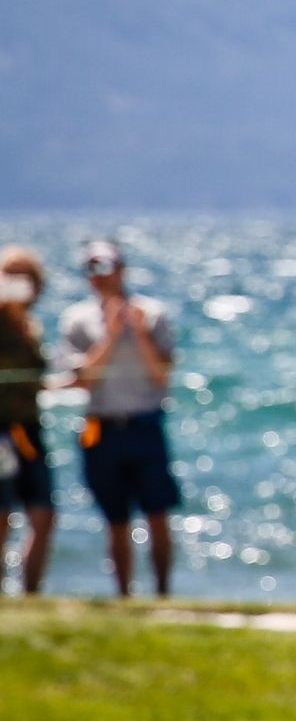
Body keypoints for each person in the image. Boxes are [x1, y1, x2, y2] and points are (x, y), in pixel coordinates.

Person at [56, 240, 182, 598]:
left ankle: (162, 593)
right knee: (116, 520)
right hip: (102, 427)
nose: (99, 277)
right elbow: (81, 379)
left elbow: (162, 373)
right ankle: (123, 596)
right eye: (91, 269)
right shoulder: (77, 320)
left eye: (105, 267)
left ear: (121, 269)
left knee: (158, 514)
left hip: (145, 425)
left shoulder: (152, 313)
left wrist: (137, 332)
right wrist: (111, 336)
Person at [1, 247, 55, 594]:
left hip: (29, 429)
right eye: (11, 275)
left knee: (43, 512)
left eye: (25, 276)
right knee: (1, 514)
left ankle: (30, 592)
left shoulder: (30, 326)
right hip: (0, 431)